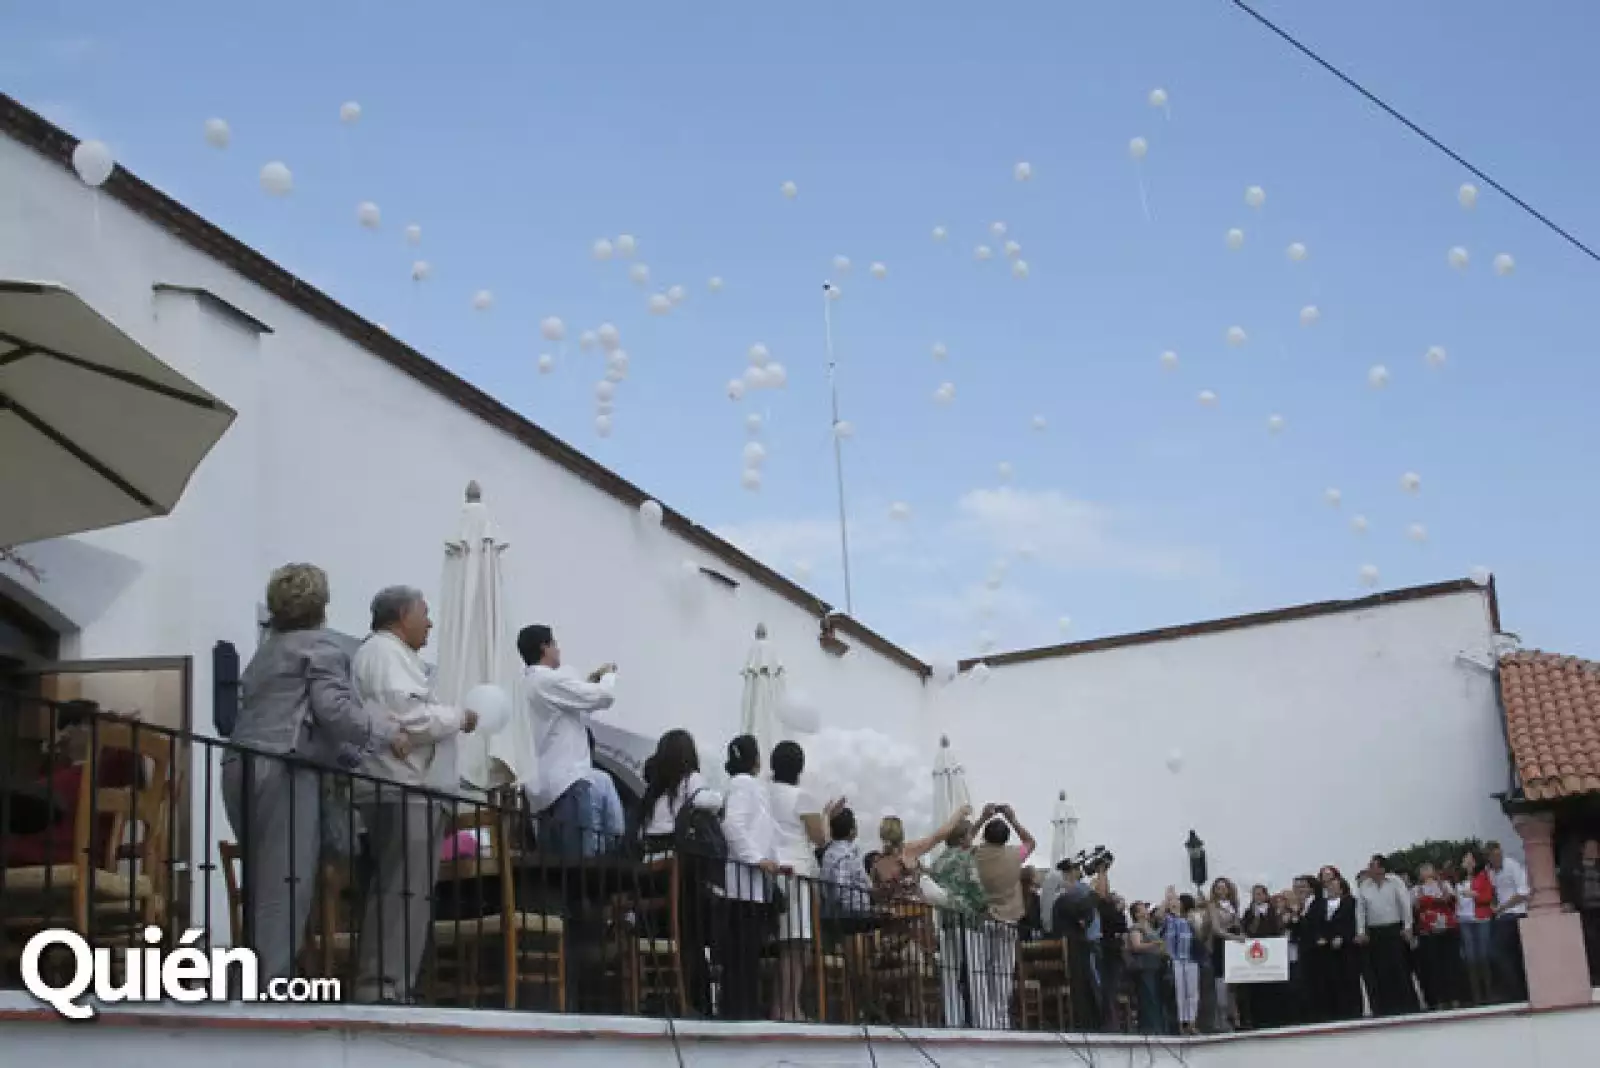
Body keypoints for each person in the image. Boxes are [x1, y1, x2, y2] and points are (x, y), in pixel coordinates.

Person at [220, 565, 391, 987]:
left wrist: (348, 755)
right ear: (321, 605)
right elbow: (334, 711)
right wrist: (384, 733)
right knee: (286, 882)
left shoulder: (266, 653)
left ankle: (249, 980)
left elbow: (304, 716)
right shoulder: (320, 647)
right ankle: (268, 986)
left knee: (261, 881)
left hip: (238, 764)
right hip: (283, 766)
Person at [352, 584, 477, 1003]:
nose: (430, 623)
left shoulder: (390, 656)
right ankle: (383, 986)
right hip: (400, 787)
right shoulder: (384, 653)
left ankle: (391, 983)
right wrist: (458, 717)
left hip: (403, 787)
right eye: (424, 613)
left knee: (407, 891)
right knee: (403, 891)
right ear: (402, 616)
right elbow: (410, 716)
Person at [638, 728, 723, 1015]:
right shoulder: (691, 781)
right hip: (682, 873)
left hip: (651, 876)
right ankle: (695, 1001)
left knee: (663, 934)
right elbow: (713, 802)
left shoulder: (653, 793)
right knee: (692, 934)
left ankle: (657, 995)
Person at [517, 624, 616, 858]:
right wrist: (609, 675)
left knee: (552, 868)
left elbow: (569, 706)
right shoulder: (547, 680)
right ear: (545, 647)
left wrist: (588, 683)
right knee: (576, 865)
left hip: (540, 791)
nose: (558, 649)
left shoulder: (525, 686)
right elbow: (604, 697)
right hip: (567, 783)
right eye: (555, 644)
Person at [767, 740, 832, 1022]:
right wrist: (827, 816)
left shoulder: (765, 793)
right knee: (797, 946)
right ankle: (789, 1006)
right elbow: (820, 838)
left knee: (784, 945)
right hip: (796, 872)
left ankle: (780, 1005)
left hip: (772, 869)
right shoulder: (801, 796)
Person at [716, 734, 778, 1020]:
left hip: (748, 882)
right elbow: (733, 825)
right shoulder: (744, 784)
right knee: (743, 951)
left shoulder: (741, 785)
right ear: (755, 760)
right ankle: (740, 1009)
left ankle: (740, 1007)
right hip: (743, 882)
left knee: (744, 951)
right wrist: (756, 858)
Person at [971, 804, 1035, 1028]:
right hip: (1008, 919)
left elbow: (961, 844)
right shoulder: (1015, 855)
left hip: (984, 918)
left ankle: (984, 1019)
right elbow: (1030, 842)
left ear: (985, 836)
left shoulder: (976, 854)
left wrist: (981, 818)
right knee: (1003, 971)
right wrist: (1013, 819)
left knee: (982, 970)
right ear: (1006, 837)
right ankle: (1000, 1018)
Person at [1355, 854, 1418, 1016]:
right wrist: (1361, 931)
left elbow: (1405, 904)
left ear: (1382, 868)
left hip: (1394, 929)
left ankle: (1408, 1005)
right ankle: (1386, 1007)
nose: (1369, 869)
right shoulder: (1365, 886)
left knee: (1399, 968)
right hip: (1375, 931)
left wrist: (1408, 926)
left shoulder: (1395, 881)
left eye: (1373, 866)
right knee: (1380, 970)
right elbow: (1360, 911)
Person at [1309, 868, 1362, 1021]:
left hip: (1346, 949)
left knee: (1350, 981)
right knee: (1331, 983)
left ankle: (1354, 1013)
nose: (1330, 887)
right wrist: (1320, 937)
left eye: (1333, 884)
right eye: (1328, 885)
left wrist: (1343, 937)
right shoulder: (1319, 905)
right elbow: (1314, 925)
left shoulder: (1350, 902)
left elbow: (1353, 923)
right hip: (1326, 951)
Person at [1412, 861, 1463, 1010]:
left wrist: (1440, 892)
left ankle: (1454, 997)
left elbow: (1452, 900)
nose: (1427, 872)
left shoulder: (1444, 885)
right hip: (1428, 932)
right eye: (1423, 870)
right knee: (1434, 967)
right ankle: (1440, 999)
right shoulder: (1416, 890)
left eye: (1429, 869)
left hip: (1448, 930)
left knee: (1450, 965)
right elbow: (1415, 907)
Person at [1485, 840, 1530, 1001]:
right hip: (1502, 916)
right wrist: (1495, 906)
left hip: (1516, 913)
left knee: (1500, 952)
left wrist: (1502, 907)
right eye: (1493, 856)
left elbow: (1523, 893)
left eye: (1498, 854)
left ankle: (1517, 991)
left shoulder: (1512, 865)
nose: (1496, 858)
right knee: (1508, 955)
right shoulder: (1490, 872)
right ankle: (1516, 991)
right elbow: (1496, 892)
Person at [1241, 883, 1286, 1028]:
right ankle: (1257, 1019)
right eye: (1255, 894)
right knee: (1256, 988)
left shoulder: (1273, 911)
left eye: (1260, 894)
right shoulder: (1249, 913)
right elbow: (1247, 931)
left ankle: (1274, 1017)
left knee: (1272, 987)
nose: (1257, 897)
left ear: (1266, 895)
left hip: (1272, 951)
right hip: (1255, 953)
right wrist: (1255, 918)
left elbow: (1279, 929)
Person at [1454, 849, 1495, 1004]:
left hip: (1481, 919)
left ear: (1475, 861)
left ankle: (1489, 993)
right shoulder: (1458, 880)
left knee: (1483, 955)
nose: (1466, 861)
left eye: (1469, 858)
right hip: (1465, 920)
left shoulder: (1483, 876)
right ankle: (1476, 995)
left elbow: (1488, 896)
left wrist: (1475, 895)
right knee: (1470, 958)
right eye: (1465, 858)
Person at [1161, 891, 1202, 1035]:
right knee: (1179, 991)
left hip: (1191, 958)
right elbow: (1160, 920)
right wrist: (1167, 901)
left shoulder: (1192, 918)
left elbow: (1199, 934)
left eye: (1178, 900)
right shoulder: (1169, 919)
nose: (1176, 903)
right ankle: (1180, 1023)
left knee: (1192, 991)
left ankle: (1191, 1022)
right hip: (1176, 959)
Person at [1126, 901, 1169, 1035]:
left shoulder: (1150, 927)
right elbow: (1136, 946)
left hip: (1156, 965)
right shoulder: (1136, 928)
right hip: (1144, 966)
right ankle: (1148, 1027)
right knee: (1148, 996)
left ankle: (1158, 1027)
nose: (1146, 911)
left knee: (1156, 997)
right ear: (1137, 914)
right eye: (1142, 909)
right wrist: (1154, 944)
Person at [1207, 877, 1244, 1031]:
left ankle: (1235, 1016)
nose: (1221, 891)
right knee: (1221, 981)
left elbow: (1238, 925)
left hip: (1234, 946)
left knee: (1233, 983)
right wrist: (1235, 937)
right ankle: (1221, 1019)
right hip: (1221, 944)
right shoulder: (1213, 906)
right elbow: (1216, 929)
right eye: (1218, 888)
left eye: (1224, 887)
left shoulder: (1233, 905)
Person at [583, 729, 625, 851]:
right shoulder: (602, 780)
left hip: (550, 857)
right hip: (592, 855)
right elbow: (616, 827)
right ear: (591, 751)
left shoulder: (550, 778)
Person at [1572, 838, 1600, 987]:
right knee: (1591, 943)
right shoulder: (1575, 869)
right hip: (1586, 910)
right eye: (1590, 848)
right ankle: (1595, 977)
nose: (1593, 851)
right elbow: (1568, 887)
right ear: (1582, 850)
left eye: (1596, 848)